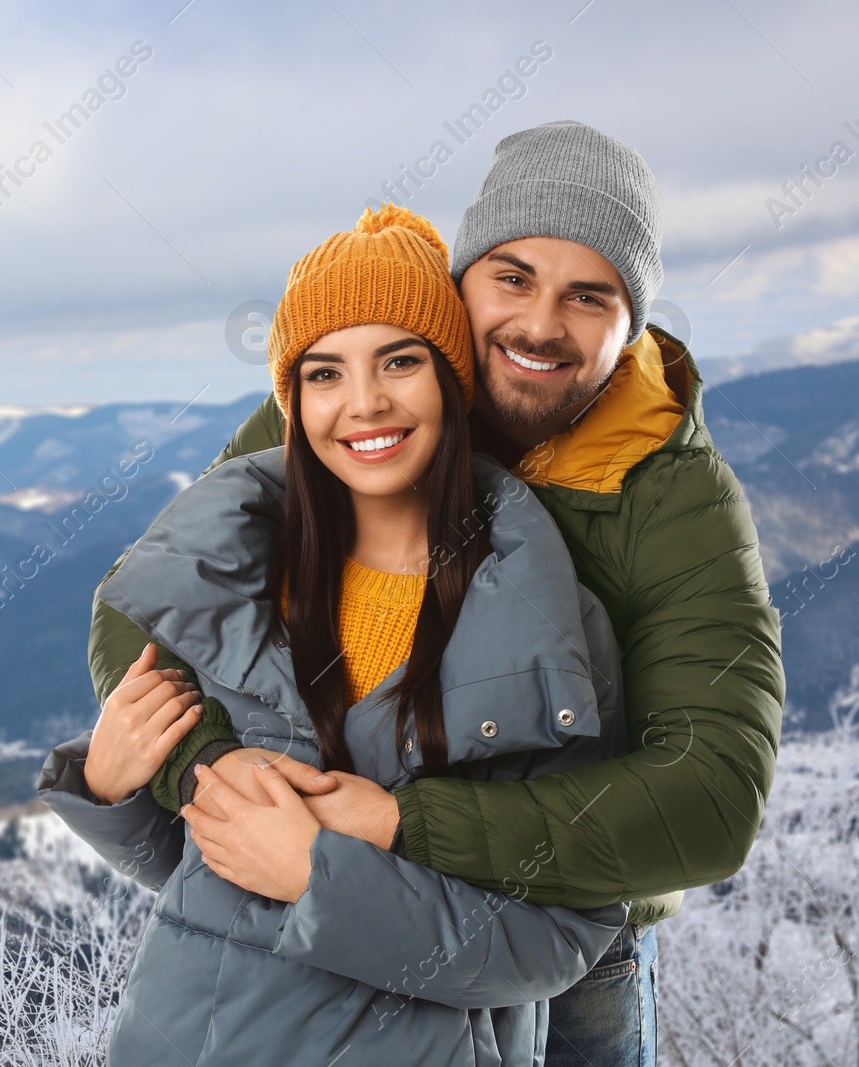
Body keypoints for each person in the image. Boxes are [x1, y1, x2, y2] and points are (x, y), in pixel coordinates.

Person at [84, 120, 785, 1066]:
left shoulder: (672, 495)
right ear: (462, 283)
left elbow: (710, 798)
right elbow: (154, 598)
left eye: (589, 295)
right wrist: (209, 769)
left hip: (557, 938)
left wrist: (396, 824)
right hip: (292, 911)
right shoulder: (358, 394)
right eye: (513, 277)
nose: (540, 324)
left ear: (634, 324)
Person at [40, 203, 630, 1065]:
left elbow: (559, 937)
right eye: (324, 373)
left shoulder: (545, 621)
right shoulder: (249, 582)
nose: (364, 403)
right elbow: (210, 866)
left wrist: (321, 876)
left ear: (451, 380)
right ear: (293, 399)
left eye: (399, 361)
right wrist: (116, 788)